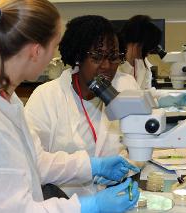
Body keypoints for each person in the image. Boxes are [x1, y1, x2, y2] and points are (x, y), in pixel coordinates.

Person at [0, 1, 140, 212]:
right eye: (54, 47)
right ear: (36, 51)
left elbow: (33, 161)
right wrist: (89, 206)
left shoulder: (4, 98)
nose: (54, 57)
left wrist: (93, 166)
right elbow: (12, 210)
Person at [24, 15, 140, 197]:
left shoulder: (126, 87)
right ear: (78, 56)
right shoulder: (46, 96)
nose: (107, 66)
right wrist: (92, 167)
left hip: (116, 197)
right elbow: (32, 163)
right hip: (62, 202)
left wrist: (126, 167)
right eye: (97, 57)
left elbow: (140, 146)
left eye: (113, 57)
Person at [118, 15, 162, 90]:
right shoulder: (115, 66)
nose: (148, 54)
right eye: (147, 49)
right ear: (137, 45)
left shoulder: (143, 63)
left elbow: (146, 91)